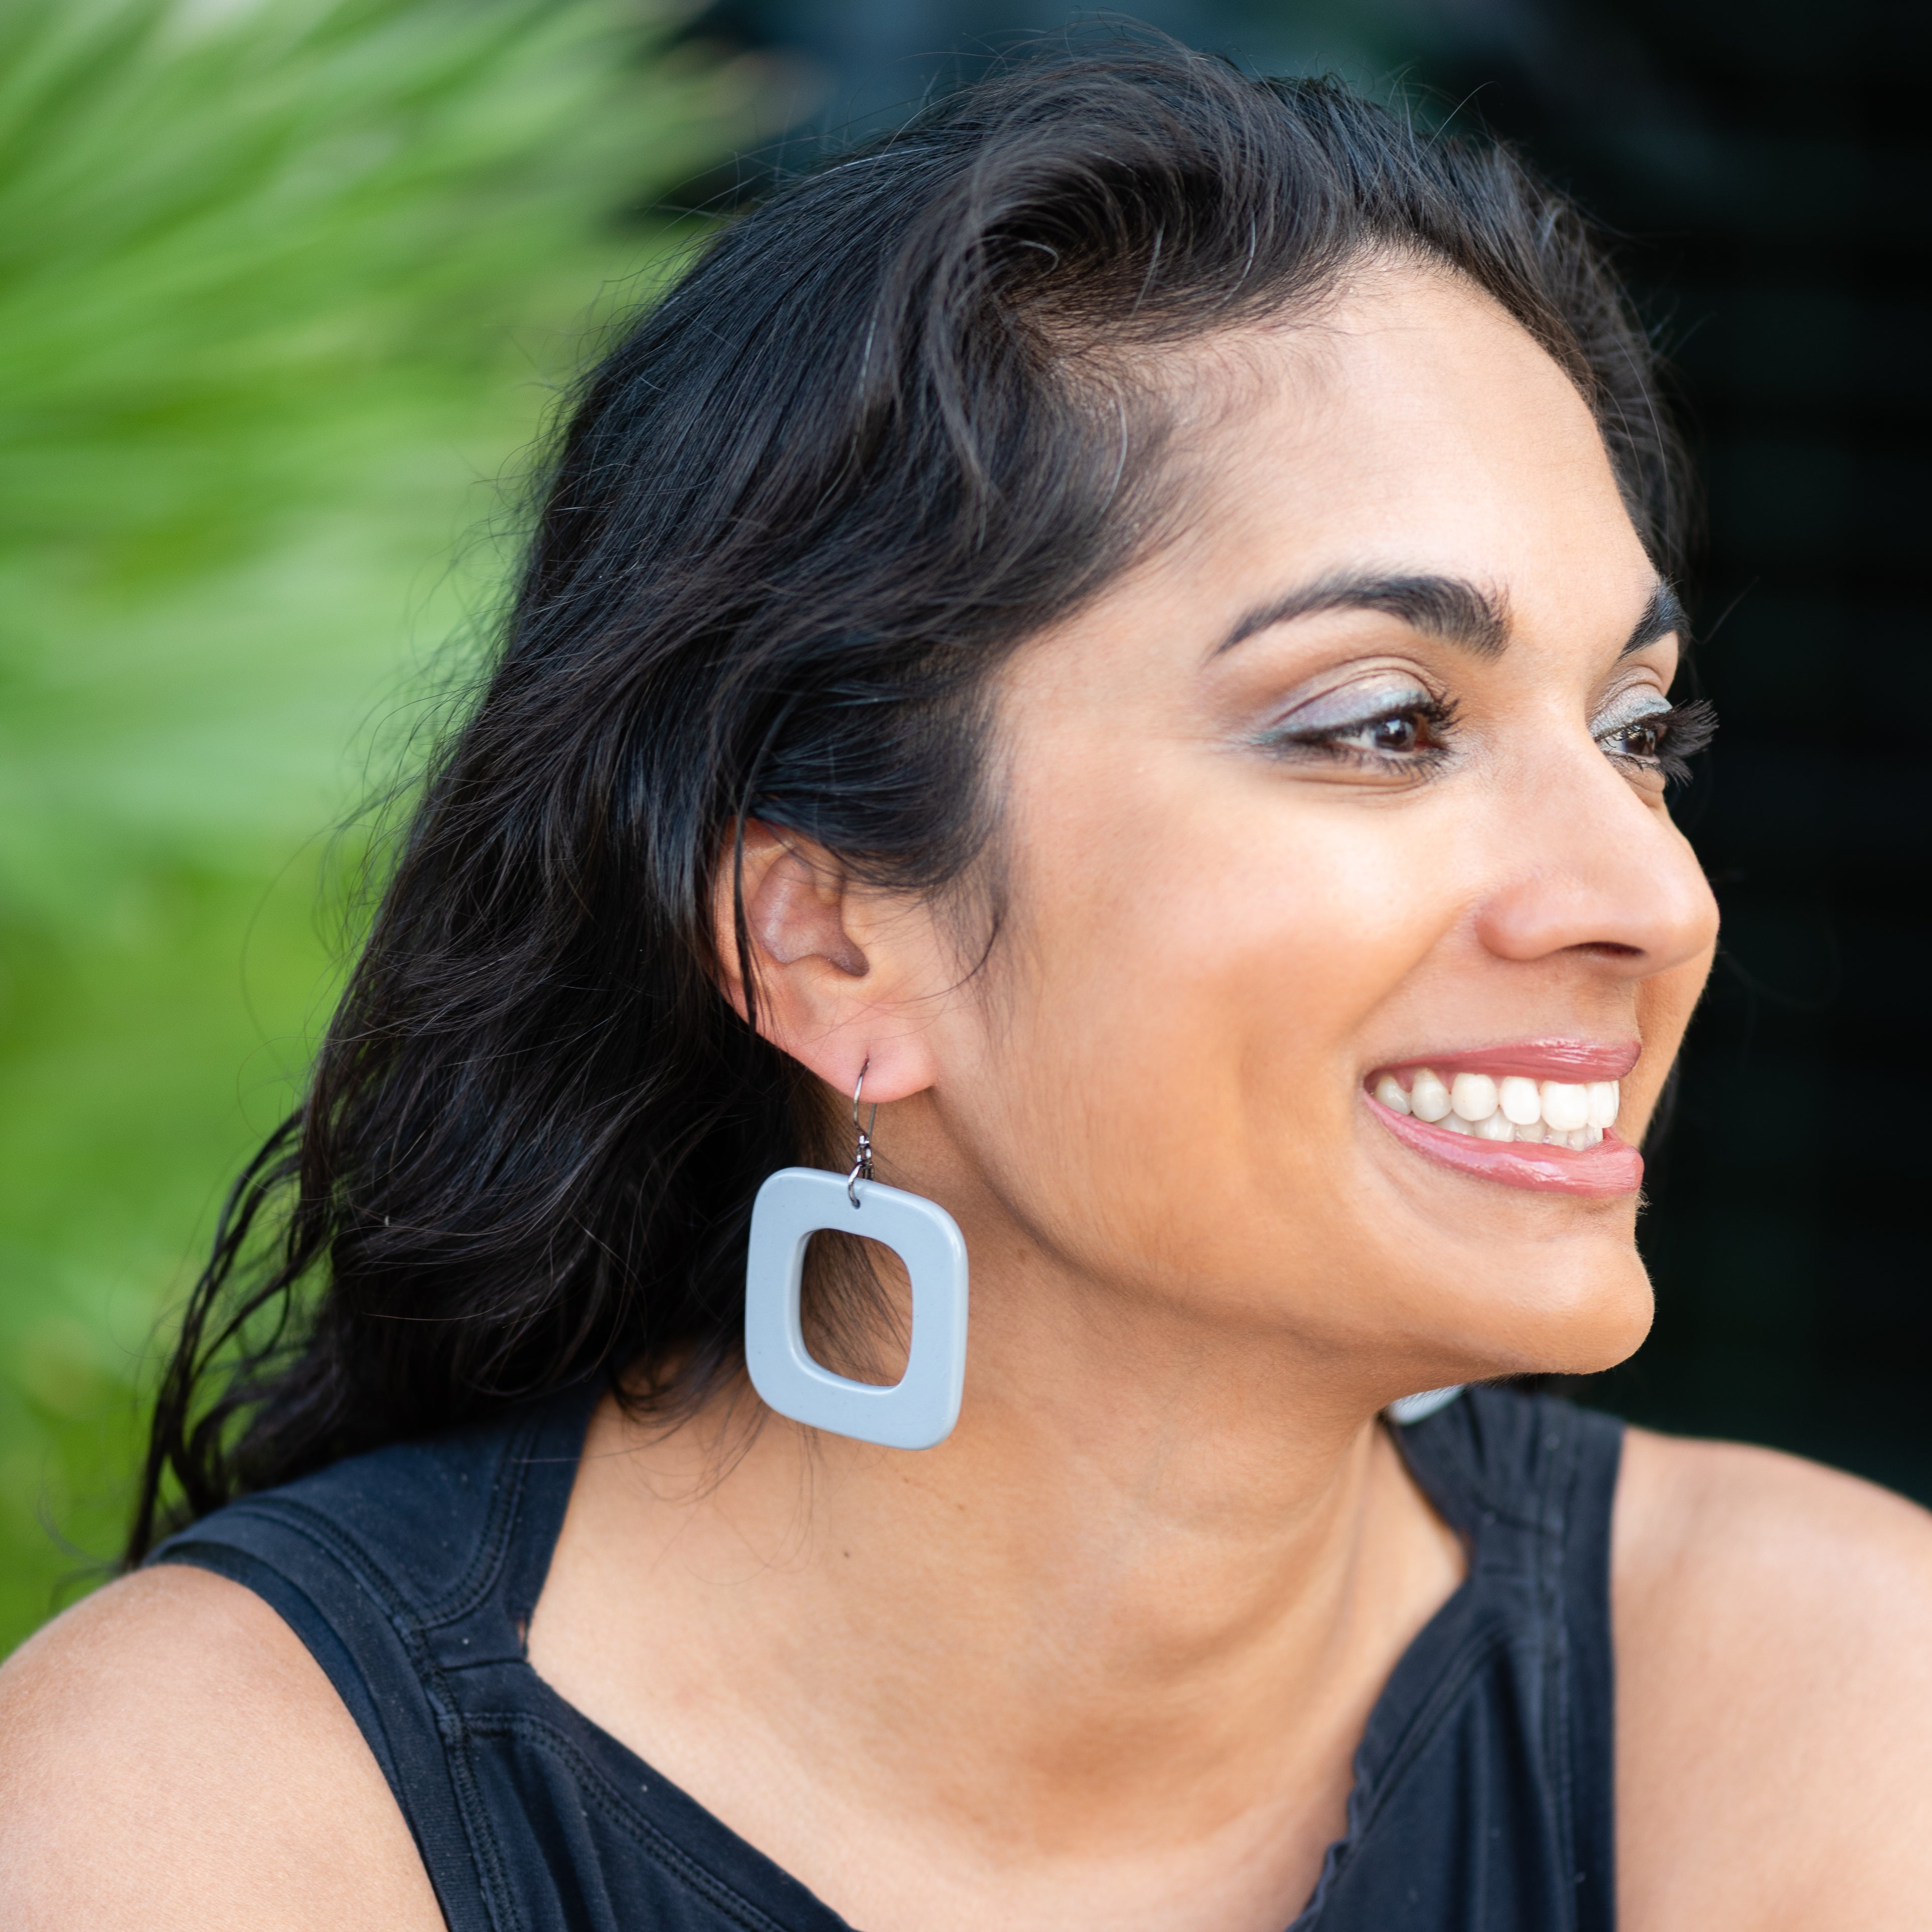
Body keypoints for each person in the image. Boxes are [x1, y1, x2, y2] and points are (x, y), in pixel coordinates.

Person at [5, 37, 1931, 1932]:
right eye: (1383, 724)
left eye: (1635, 733)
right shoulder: (201, 1826)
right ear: (826, 938)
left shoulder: (1823, 1701)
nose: (1651, 896)